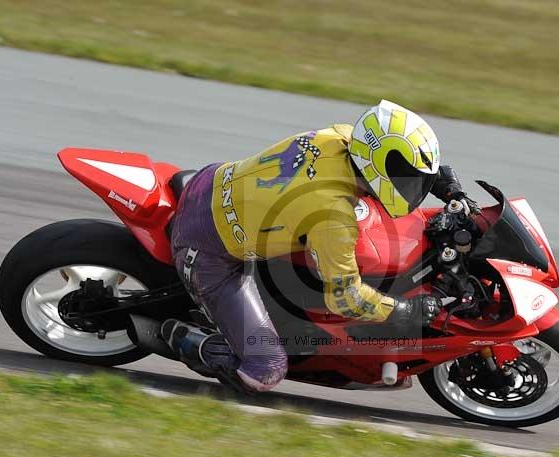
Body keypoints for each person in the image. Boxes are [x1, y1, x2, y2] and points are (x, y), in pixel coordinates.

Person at [162, 100, 476, 392]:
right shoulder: (333, 217)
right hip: (207, 250)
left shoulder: (342, 137)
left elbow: (384, 155)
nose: (412, 187)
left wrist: (441, 184)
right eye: (409, 180)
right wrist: (405, 310)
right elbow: (346, 300)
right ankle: (184, 338)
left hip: (212, 180)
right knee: (265, 370)